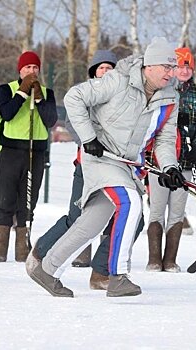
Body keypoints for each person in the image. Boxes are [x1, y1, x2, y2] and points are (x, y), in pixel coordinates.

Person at [28, 37, 185, 298]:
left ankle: (47, 269)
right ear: (149, 66)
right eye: (166, 67)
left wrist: (169, 167)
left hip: (127, 164)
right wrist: (88, 138)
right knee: (131, 203)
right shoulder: (118, 80)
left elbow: (165, 139)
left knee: (92, 221)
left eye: (173, 67)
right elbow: (74, 97)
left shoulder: (170, 98)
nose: (171, 73)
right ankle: (117, 276)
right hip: (100, 156)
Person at [26, 50, 118, 287]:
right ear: (94, 72)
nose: (106, 72)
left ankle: (101, 273)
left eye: (110, 68)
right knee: (77, 217)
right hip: (87, 166)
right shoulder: (84, 94)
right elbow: (72, 123)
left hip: (115, 169)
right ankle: (41, 250)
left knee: (121, 217)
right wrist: (89, 142)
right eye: (102, 68)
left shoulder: (122, 98)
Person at [145, 47, 196, 272]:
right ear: (172, 68)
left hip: (185, 163)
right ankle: (154, 258)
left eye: (188, 67)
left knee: (177, 210)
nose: (184, 71)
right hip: (159, 163)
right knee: (157, 208)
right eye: (180, 66)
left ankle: (170, 259)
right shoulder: (162, 90)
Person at [0, 51, 57, 263]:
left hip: (35, 153)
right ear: (20, 70)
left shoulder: (47, 92)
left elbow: (51, 120)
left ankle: (22, 248)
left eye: (35, 68)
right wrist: (22, 93)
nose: (32, 71)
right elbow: (6, 113)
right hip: (9, 151)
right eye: (28, 68)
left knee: (28, 200)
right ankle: (0, 249)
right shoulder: (6, 89)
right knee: (5, 198)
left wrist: (39, 98)